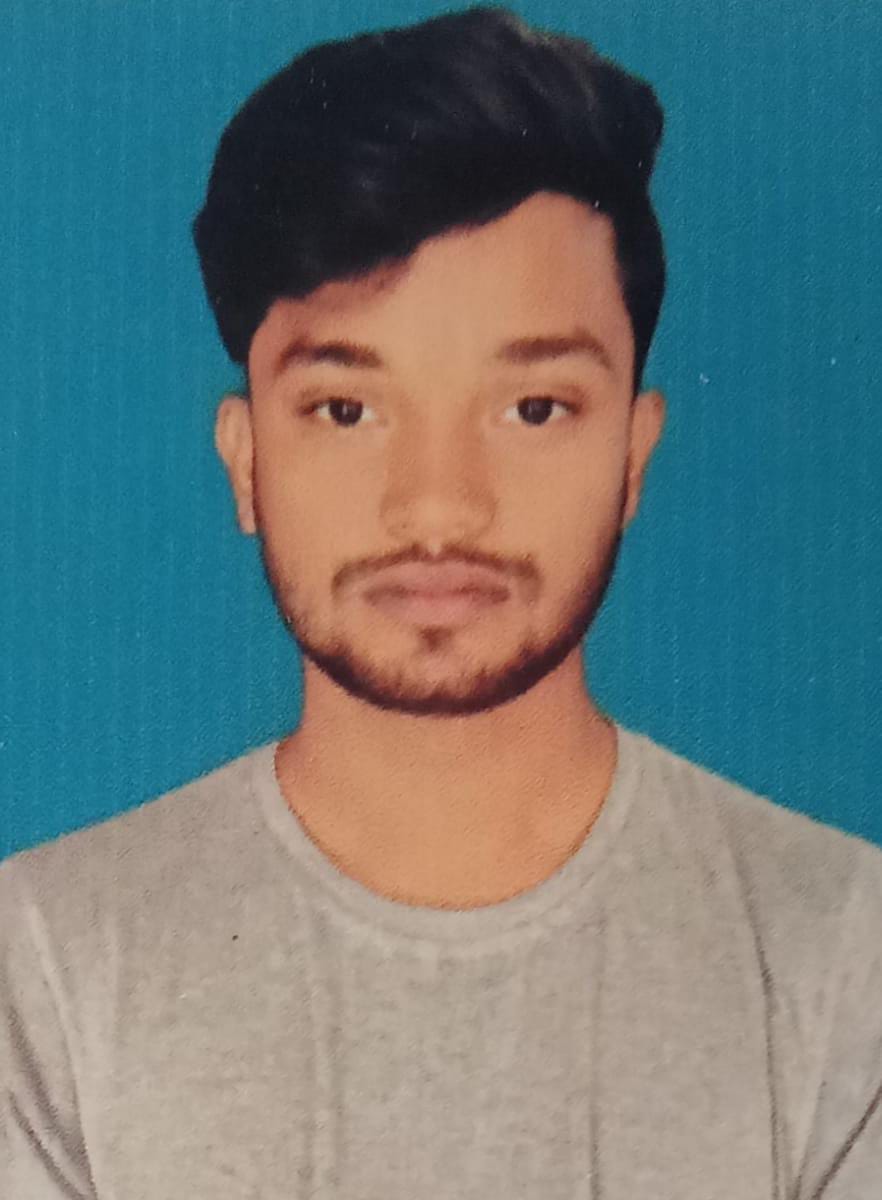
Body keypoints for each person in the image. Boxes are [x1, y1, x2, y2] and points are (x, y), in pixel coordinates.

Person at [2, 7, 880, 1197]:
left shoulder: (846, 955)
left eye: (532, 409)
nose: (437, 506)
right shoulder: (40, 966)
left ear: (633, 455)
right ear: (246, 460)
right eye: (346, 410)